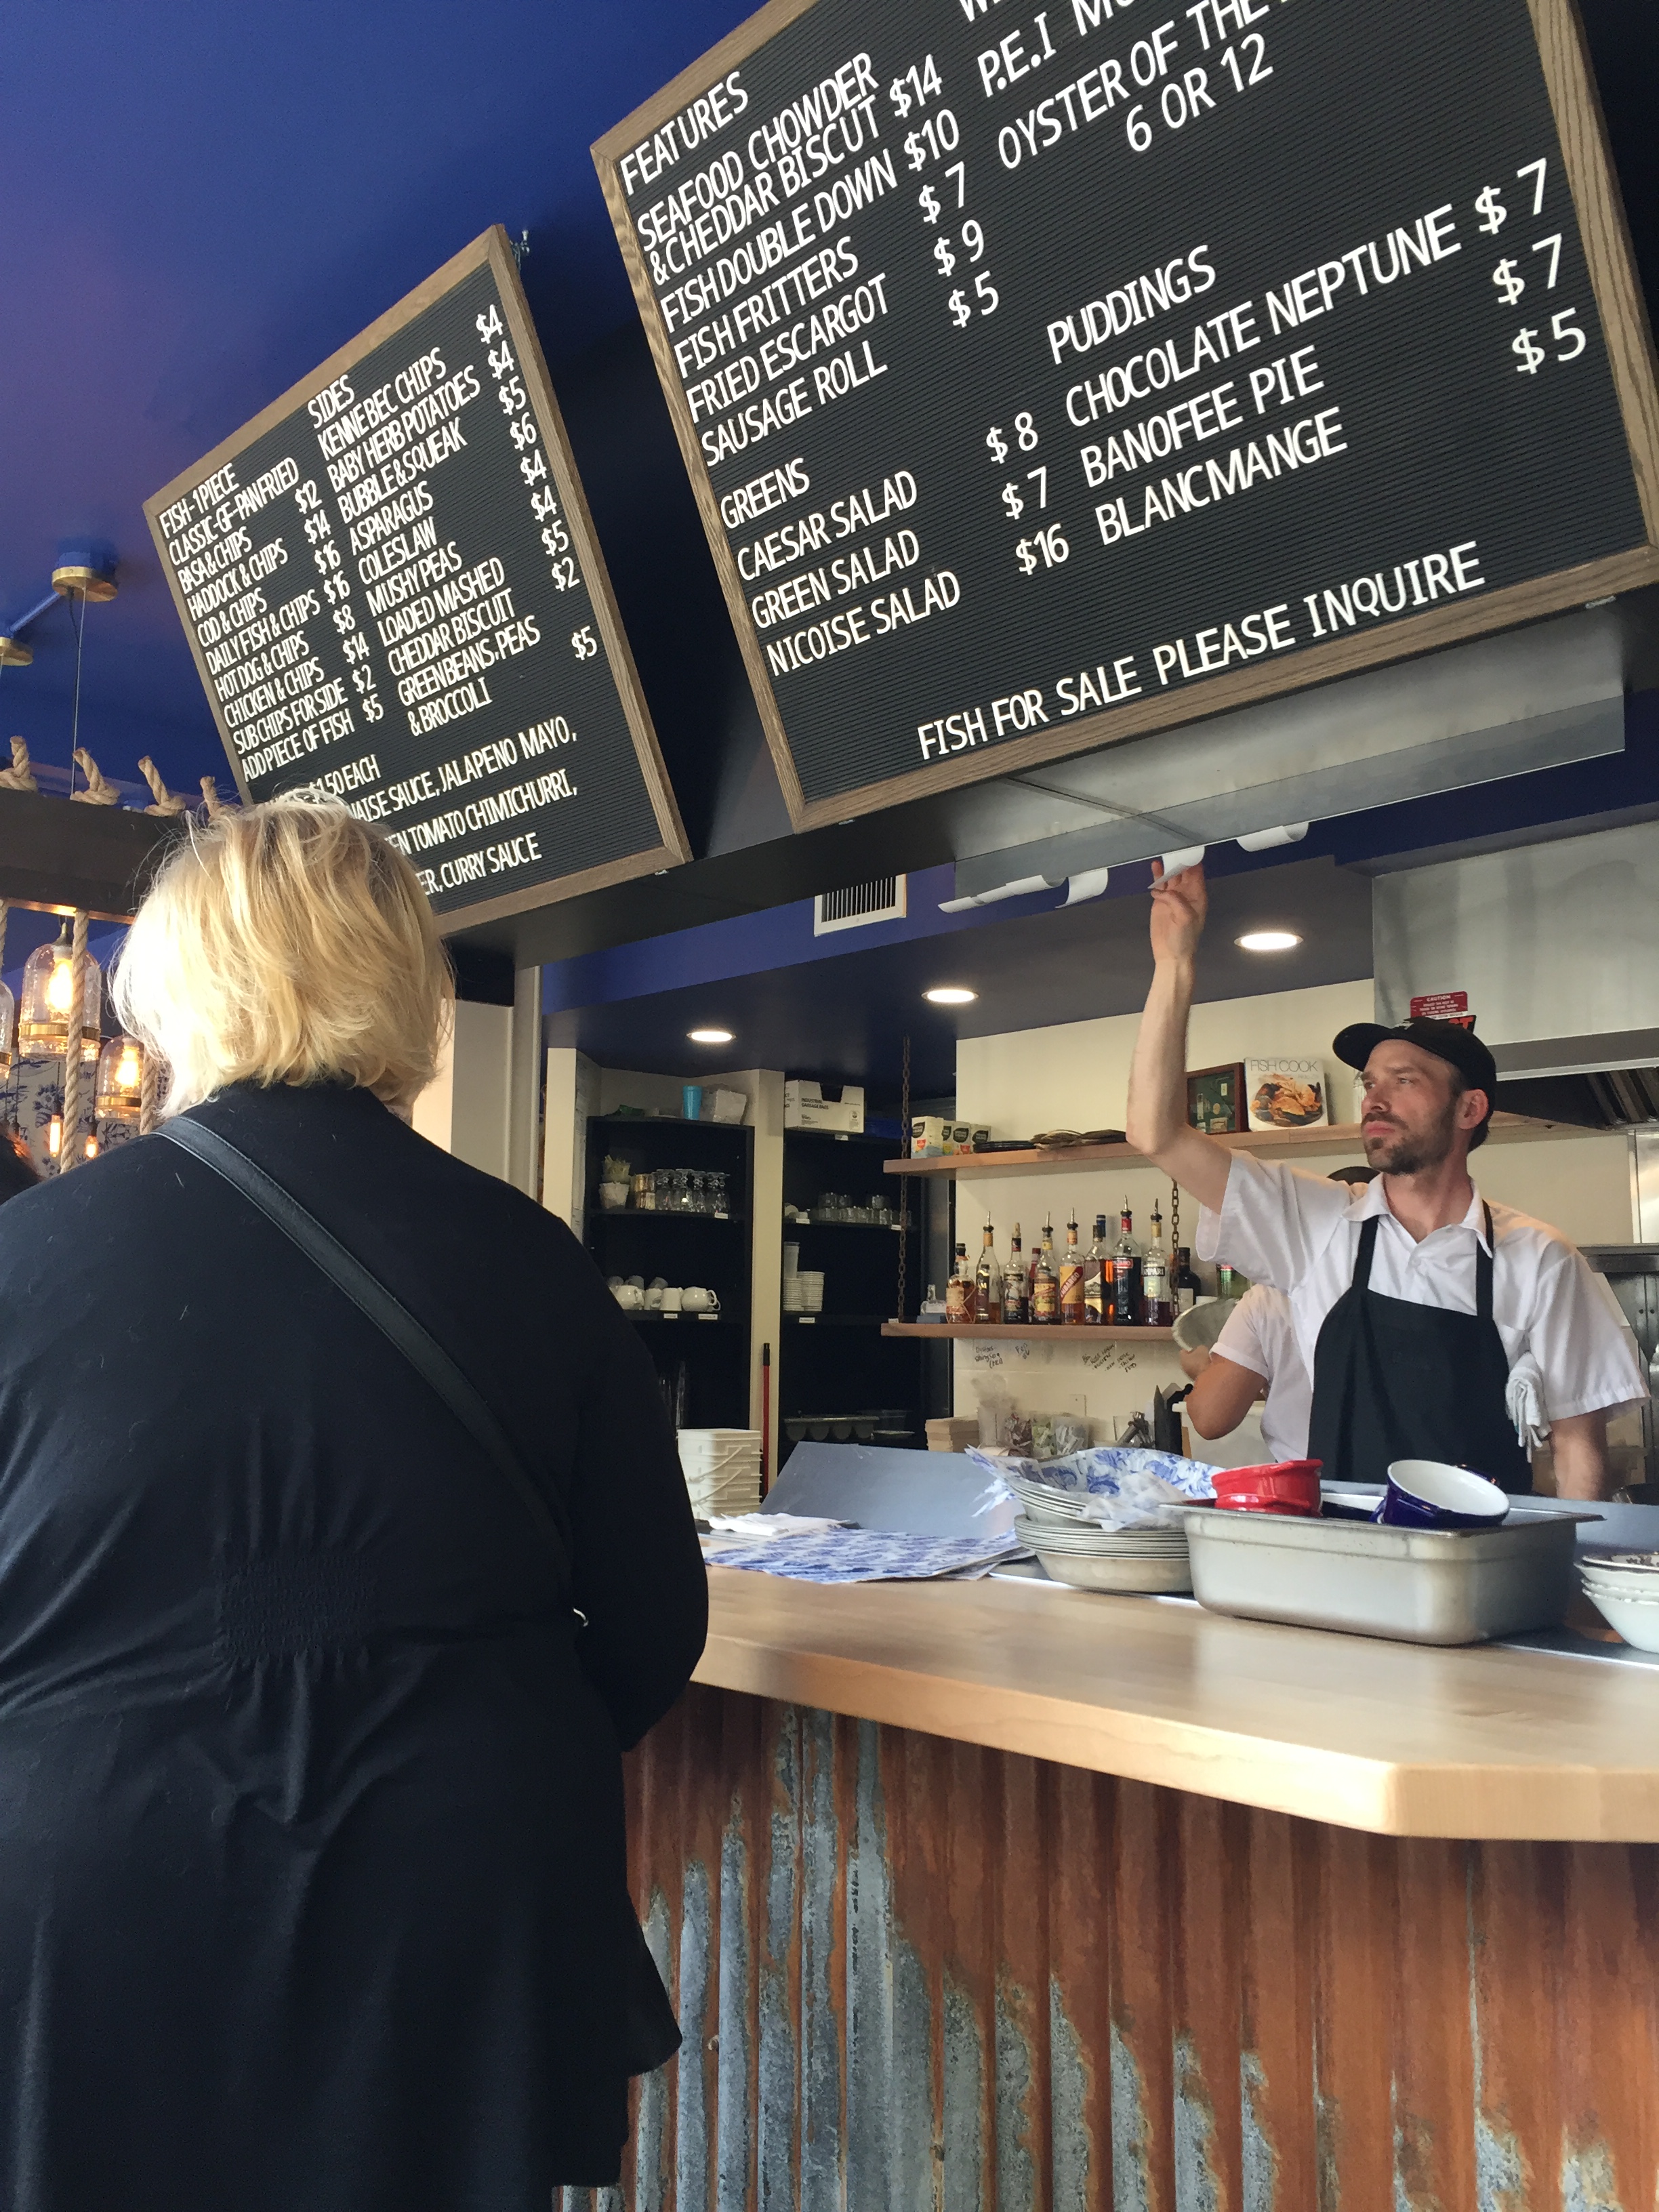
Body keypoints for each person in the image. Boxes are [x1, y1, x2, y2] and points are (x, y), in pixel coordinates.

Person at [0, 799, 708, 2210]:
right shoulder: (531, 1257)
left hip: (95, 1890)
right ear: (405, 984)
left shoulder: (26, 1255)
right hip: (454, 1891)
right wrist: (464, 1733)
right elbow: (651, 1623)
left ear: (175, 989)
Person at [1126, 861, 1645, 1498]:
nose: (1374, 1099)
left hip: (1481, 1554)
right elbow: (1157, 1133)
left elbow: (1578, 1446)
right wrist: (1175, 961)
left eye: (1404, 1080)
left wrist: (1566, 1557)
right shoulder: (1317, 1225)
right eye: (1370, 1083)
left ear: (1469, 1109)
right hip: (1342, 1550)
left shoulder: (1540, 1259)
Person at [1181, 1170, 1376, 1461]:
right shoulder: (1419, 1286)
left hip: (1305, 1478)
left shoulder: (1268, 1298)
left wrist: (1200, 1369)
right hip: (1404, 1479)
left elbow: (1211, 1418)